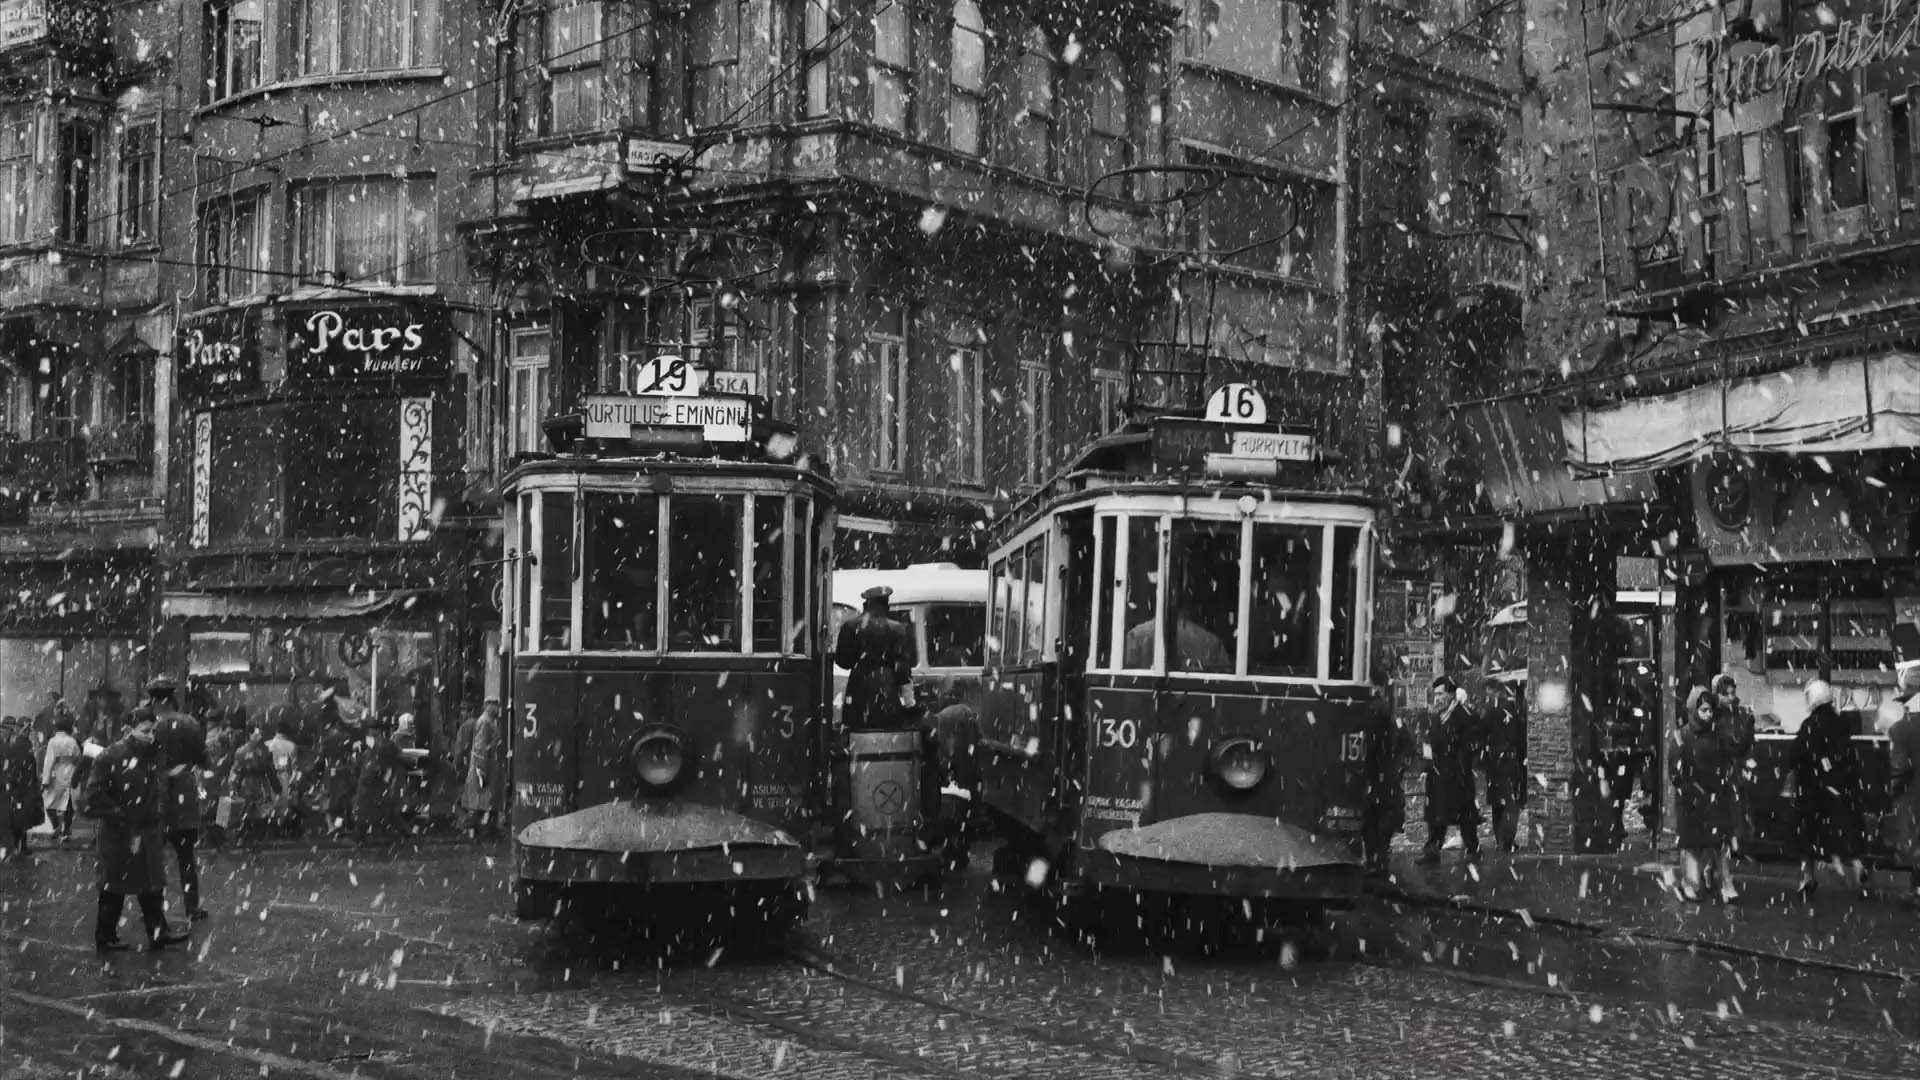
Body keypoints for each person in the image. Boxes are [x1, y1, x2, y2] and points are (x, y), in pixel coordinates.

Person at [82, 712, 190, 951]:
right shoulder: (111, 756)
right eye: (144, 730)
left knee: (151, 884)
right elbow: (93, 794)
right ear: (130, 729)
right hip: (119, 832)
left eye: (152, 730)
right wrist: (118, 813)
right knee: (114, 886)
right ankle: (105, 935)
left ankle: (158, 933)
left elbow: (160, 786)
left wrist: (160, 812)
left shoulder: (153, 755)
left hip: (147, 830)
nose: (150, 735)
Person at [1790, 679, 1870, 899]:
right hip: (1841, 789)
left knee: (1807, 836)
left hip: (1813, 791)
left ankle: (1807, 877)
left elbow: (1795, 755)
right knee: (1845, 830)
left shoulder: (1809, 725)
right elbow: (1849, 757)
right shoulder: (1841, 723)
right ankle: (1858, 866)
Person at [148, 679, 209, 922]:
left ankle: (153, 910)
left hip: (155, 797)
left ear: (154, 700)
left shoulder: (150, 726)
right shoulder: (190, 723)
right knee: (186, 858)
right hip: (184, 796)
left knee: (153, 858)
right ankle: (191, 907)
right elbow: (203, 759)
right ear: (173, 699)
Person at [1674, 687, 1739, 903]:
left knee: (1720, 844)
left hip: (1714, 797)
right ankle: (1689, 884)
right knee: (1692, 846)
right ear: (1694, 710)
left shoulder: (1717, 736)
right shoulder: (1682, 735)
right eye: (1703, 710)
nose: (1708, 714)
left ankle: (1726, 884)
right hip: (1693, 799)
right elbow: (1676, 769)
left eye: (1710, 710)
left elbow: (1729, 756)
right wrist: (1685, 787)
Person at [1417, 676, 1482, 865]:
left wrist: (1462, 760)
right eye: (1435, 694)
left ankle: (1473, 849)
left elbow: (1473, 741)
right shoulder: (1437, 717)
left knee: (1465, 816)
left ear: (1451, 694)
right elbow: (1429, 743)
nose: (1437, 698)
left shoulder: (1463, 716)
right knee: (1437, 816)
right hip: (1438, 776)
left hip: (1457, 776)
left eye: (1440, 694)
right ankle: (1432, 852)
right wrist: (1427, 767)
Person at [835, 585, 919, 730]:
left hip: (859, 687)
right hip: (887, 688)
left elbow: (844, 662)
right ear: (886, 605)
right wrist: (909, 702)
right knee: (888, 731)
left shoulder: (850, 627)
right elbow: (903, 670)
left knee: (857, 729)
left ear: (866, 604)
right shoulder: (899, 629)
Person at [1711, 673, 1757, 881]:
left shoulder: (1740, 715)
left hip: (1733, 777)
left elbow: (1743, 747)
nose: (1730, 697)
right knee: (1721, 827)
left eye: (1732, 693)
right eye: (1725, 694)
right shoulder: (1714, 716)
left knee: (1729, 826)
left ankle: (1718, 871)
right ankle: (1718, 872)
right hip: (1720, 777)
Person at [1361, 668, 1408, 875]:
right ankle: (1380, 860)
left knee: (1374, 819)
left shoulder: (1374, 709)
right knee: (1384, 816)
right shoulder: (1387, 710)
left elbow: (1370, 744)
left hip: (1378, 773)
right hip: (1387, 773)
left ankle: (1376, 861)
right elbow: (1404, 743)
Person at [1880, 688, 1919, 910]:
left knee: (1914, 843)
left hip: (1913, 795)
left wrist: (1892, 792)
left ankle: (1916, 890)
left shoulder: (1901, 729)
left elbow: (1899, 767)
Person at [1482, 680, 1528, 853]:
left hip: (1495, 762)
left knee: (1498, 803)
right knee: (1510, 802)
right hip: (1510, 761)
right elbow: (1521, 737)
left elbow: (1483, 732)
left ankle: (1500, 839)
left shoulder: (1490, 710)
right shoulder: (1516, 710)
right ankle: (1506, 840)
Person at [1122, 604, 1232, 671]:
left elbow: (1128, 678)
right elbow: (1225, 680)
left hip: (1145, 702)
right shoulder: (1212, 641)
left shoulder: (1135, 635)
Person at [228, 724, 281, 853]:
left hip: (260, 786)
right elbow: (236, 771)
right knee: (247, 815)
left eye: (260, 734)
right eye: (256, 734)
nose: (259, 736)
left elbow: (271, 771)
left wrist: (276, 786)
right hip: (247, 786)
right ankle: (248, 840)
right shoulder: (242, 752)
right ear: (249, 735)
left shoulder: (265, 751)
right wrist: (233, 787)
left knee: (259, 816)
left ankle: (254, 841)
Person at [355, 718, 408, 843]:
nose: (369, 732)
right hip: (376, 782)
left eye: (371, 729)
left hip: (373, 782)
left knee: (366, 810)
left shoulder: (379, 745)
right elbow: (400, 759)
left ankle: (361, 837)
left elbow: (363, 763)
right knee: (382, 809)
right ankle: (404, 833)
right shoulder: (384, 745)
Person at [2, 715, 44, 860]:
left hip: (21, 787)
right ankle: (13, 845)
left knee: (21, 815)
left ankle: (19, 845)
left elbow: (28, 766)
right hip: (12, 786)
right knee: (14, 815)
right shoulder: (14, 744)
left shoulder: (21, 744)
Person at [461, 700, 505, 840]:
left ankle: (482, 829)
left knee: (485, 802)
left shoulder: (488, 721)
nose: (498, 708)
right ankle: (480, 830)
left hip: (488, 768)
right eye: (496, 705)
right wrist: (481, 769)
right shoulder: (485, 722)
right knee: (483, 801)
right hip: (486, 769)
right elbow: (480, 748)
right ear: (489, 706)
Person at [315, 713, 360, 837]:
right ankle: (345, 826)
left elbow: (321, 758)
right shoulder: (348, 737)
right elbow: (353, 754)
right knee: (345, 799)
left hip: (332, 771)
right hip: (346, 770)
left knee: (327, 800)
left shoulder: (326, 738)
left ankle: (332, 826)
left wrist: (317, 770)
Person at [41, 715, 82, 842]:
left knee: (49, 803)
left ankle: (56, 826)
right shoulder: (72, 741)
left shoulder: (53, 741)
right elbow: (78, 757)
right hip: (70, 772)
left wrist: (45, 780)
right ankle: (66, 831)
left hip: (56, 773)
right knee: (68, 804)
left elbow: (49, 761)